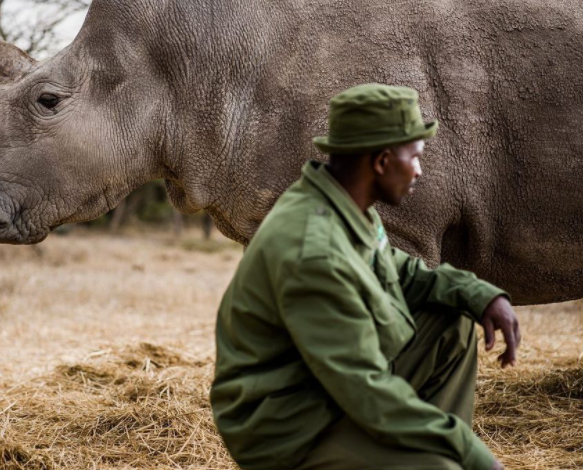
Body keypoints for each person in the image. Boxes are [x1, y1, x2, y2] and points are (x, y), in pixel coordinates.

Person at [210, 84, 521, 470]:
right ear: (382, 161)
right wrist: (474, 455)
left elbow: (402, 272)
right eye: (415, 158)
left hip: (325, 387)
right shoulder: (313, 249)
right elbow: (364, 389)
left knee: (449, 321)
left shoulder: (347, 206)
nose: (420, 171)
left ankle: (426, 451)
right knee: (439, 466)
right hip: (286, 425)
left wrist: (480, 294)